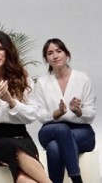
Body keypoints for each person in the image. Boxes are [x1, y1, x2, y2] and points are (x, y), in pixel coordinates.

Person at [0, 30, 50, 183]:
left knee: (24, 178)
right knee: (13, 147)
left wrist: (11, 101)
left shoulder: (23, 79)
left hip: (21, 137)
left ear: (8, 51)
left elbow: (32, 115)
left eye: (0, 48)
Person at [34, 38, 96, 183]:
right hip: (51, 130)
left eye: (59, 51)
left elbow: (91, 114)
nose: (55, 56)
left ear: (66, 54)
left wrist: (79, 111)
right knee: (61, 128)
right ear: (46, 59)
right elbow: (41, 115)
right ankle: (77, 179)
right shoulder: (43, 82)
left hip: (81, 132)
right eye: (50, 53)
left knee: (54, 147)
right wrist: (57, 113)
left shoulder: (82, 78)